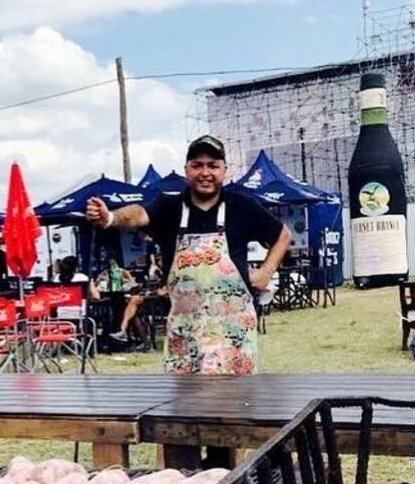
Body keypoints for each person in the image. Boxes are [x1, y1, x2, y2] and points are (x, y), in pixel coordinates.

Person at [87, 134, 290, 375]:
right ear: (186, 170)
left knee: (238, 404)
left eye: (213, 165)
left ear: (224, 170)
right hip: (185, 334)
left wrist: (266, 272)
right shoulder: (168, 207)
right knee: (185, 406)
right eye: (197, 165)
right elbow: (137, 214)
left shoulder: (242, 206)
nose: (205, 172)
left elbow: (283, 235)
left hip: (233, 333)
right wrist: (110, 218)